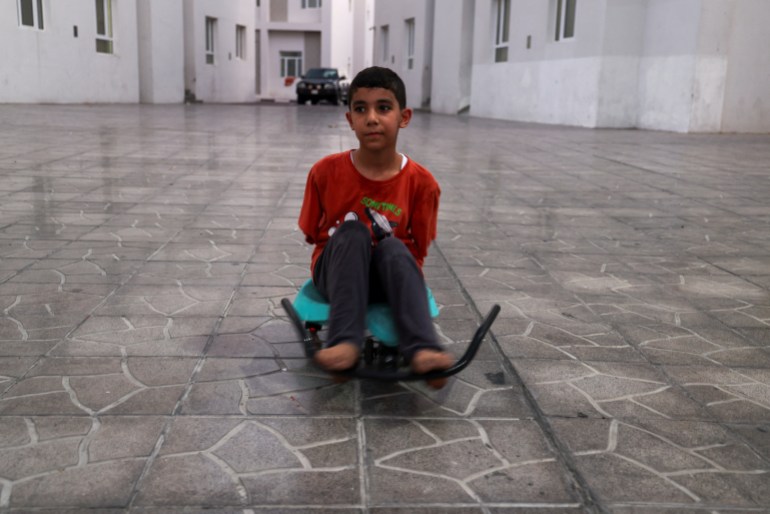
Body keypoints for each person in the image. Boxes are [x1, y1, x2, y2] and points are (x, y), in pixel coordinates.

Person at [297, 66, 453, 389]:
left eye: (384, 108)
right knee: (353, 233)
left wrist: (388, 256)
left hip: (388, 278)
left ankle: (423, 347)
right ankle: (344, 343)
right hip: (337, 272)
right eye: (360, 108)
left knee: (394, 246)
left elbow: (418, 249)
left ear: (404, 116)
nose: (371, 118)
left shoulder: (423, 184)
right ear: (349, 119)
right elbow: (314, 233)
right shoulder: (324, 173)